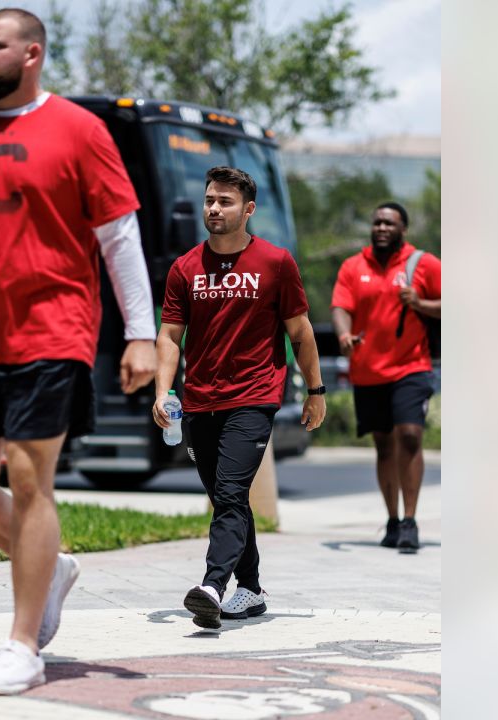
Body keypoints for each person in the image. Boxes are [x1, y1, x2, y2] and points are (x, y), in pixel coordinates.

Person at [0, 7, 157, 695]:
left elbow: (120, 237)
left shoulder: (79, 129)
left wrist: (141, 333)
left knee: (29, 476)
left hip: (52, 327)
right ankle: (53, 568)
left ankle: (22, 645)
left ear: (32, 53)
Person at [153, 165, 326, 629]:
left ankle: (213, 585)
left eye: (225, 201)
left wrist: (316, 390)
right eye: (210, 199)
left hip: (254, 395)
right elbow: (170, 336)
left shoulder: (276, 262)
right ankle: (249, 591)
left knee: (230, 491)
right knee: (226, 498)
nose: (214, 208)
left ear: (248, 210)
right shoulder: (185, 267)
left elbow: (301, 332)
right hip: (199, 399)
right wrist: (164, 390)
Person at [330, 202, 441, 554]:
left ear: (403, 230)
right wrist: (344, 336)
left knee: (408, 437)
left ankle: (410, 521)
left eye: (389, 223)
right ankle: (392, 520)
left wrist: (421, 304)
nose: (381, 227)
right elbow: (340, 307)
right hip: (368, 369)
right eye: (376, 222)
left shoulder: (423, 264)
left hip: (412, 366)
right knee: (383, 446)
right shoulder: (353, 266)